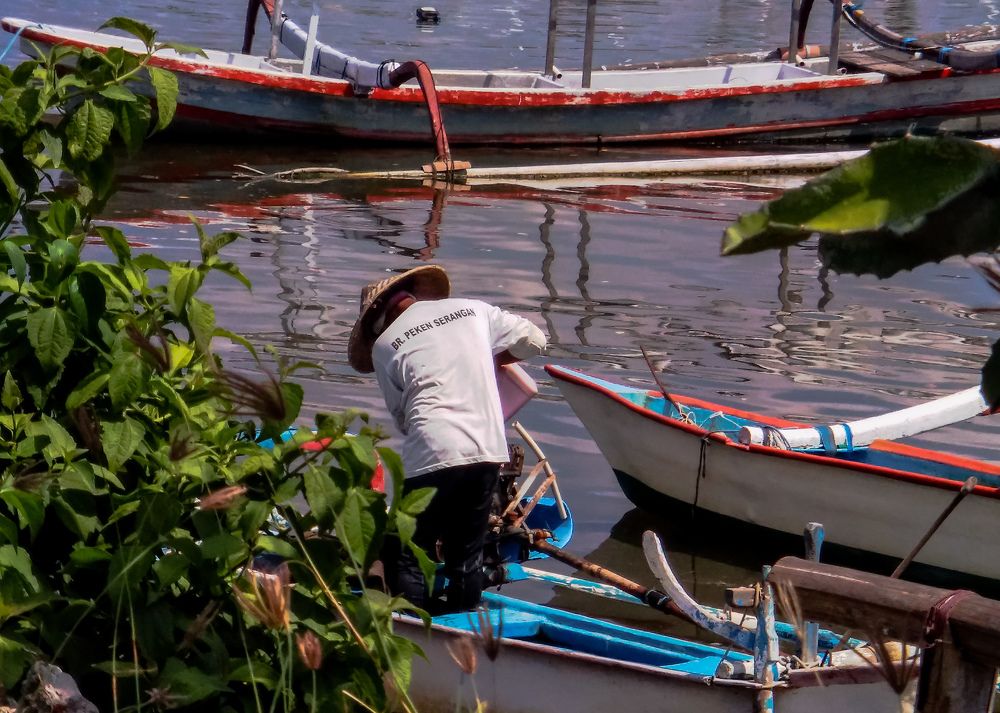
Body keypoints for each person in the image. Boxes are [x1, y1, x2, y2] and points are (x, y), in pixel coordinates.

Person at [348, 264, 547, 613]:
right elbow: (535, 341)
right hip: (487, 448)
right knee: (466, 554)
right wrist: (490, 358)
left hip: (431, 451)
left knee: (410, 552)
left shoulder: (384, 346)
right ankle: (464, 625)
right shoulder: (474, 310)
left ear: (378, 316)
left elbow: (403, 419)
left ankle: (412, 632)